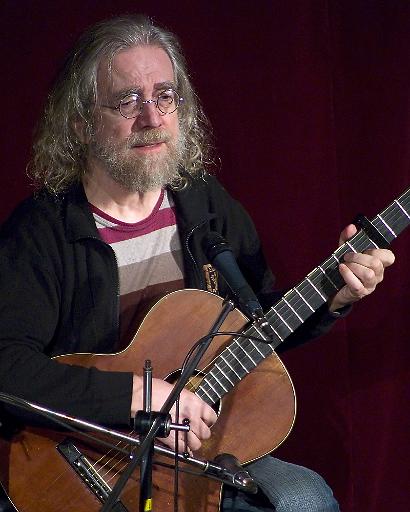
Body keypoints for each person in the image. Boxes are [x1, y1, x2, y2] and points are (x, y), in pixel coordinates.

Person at [0, 15, 394, 512]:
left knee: (305, 499)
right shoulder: (41, 233)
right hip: (82, 463)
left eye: (165, 96)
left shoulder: (205, 206)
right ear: (81, 123)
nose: (152, 117)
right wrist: (136, 397)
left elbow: (256, 323)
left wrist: (334, 294)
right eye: (128, 101)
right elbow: (8, 365)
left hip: (195, 456)